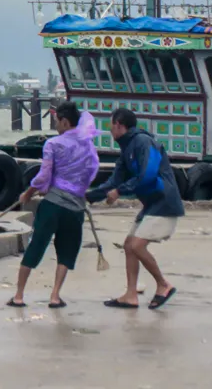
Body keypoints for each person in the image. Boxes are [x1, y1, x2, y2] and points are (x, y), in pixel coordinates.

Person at [87, 108, 185, 310]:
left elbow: (148, 175)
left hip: (164, 202)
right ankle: (131, 295)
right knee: (129, 245)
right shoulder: (126, 149)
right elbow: (113, 181)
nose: (109, 130)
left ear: (119, 125)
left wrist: (119, 191)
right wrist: (87, 197)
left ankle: (163, 285)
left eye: (110, 125)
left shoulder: (143, 142)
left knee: (137, 246)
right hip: (151, 204)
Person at [7, 101, 100, 309]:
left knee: (36, 246)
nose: (55, 125)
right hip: (76, 208)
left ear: (65, 122)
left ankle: (19, 296)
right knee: (67, 251)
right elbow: (91, 172)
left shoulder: (53, 144)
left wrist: (28, 193)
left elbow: (43, 175)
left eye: (56, 121)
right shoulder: (88, 145)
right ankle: (55, 296)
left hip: (53, 205)